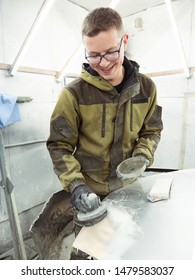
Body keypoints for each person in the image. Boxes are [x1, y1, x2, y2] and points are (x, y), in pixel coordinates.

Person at [46, 7, 163, 258]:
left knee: (133, 254)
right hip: (91, 198)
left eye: (111, 52)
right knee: (90, 259)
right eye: (94, 56)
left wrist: (142, 155)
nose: (104, 63)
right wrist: (76, 186)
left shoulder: (146, 88)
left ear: (125, 41)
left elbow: (152, 129)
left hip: (129, 189)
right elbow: (59, 146)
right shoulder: (73, 95)